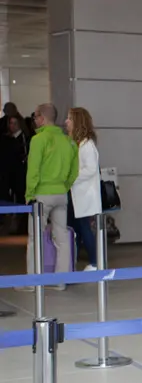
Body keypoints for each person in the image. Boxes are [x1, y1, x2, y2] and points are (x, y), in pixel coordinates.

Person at [21, 103, 78, 292]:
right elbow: (74, 170)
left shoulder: (39, 140)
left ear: (42, 118)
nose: (34, 120)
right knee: (61, 238)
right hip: (61, 194)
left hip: (41, 195)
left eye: (35, 116)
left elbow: (33, 170)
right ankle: (60, 280)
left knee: (35, 238)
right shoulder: (68, 141)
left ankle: (32, 282)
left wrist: (29, 194)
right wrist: (64, 186)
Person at [66, 108, 101, 271]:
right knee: (76, 229)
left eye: (70, 119)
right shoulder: (75, 143)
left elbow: (91, 169)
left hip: (84, 194)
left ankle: (95, 262)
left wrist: (71, 177)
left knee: (84, 228)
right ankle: (72, 261)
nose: (66, 122)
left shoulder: (87, 144)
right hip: (75, 194)